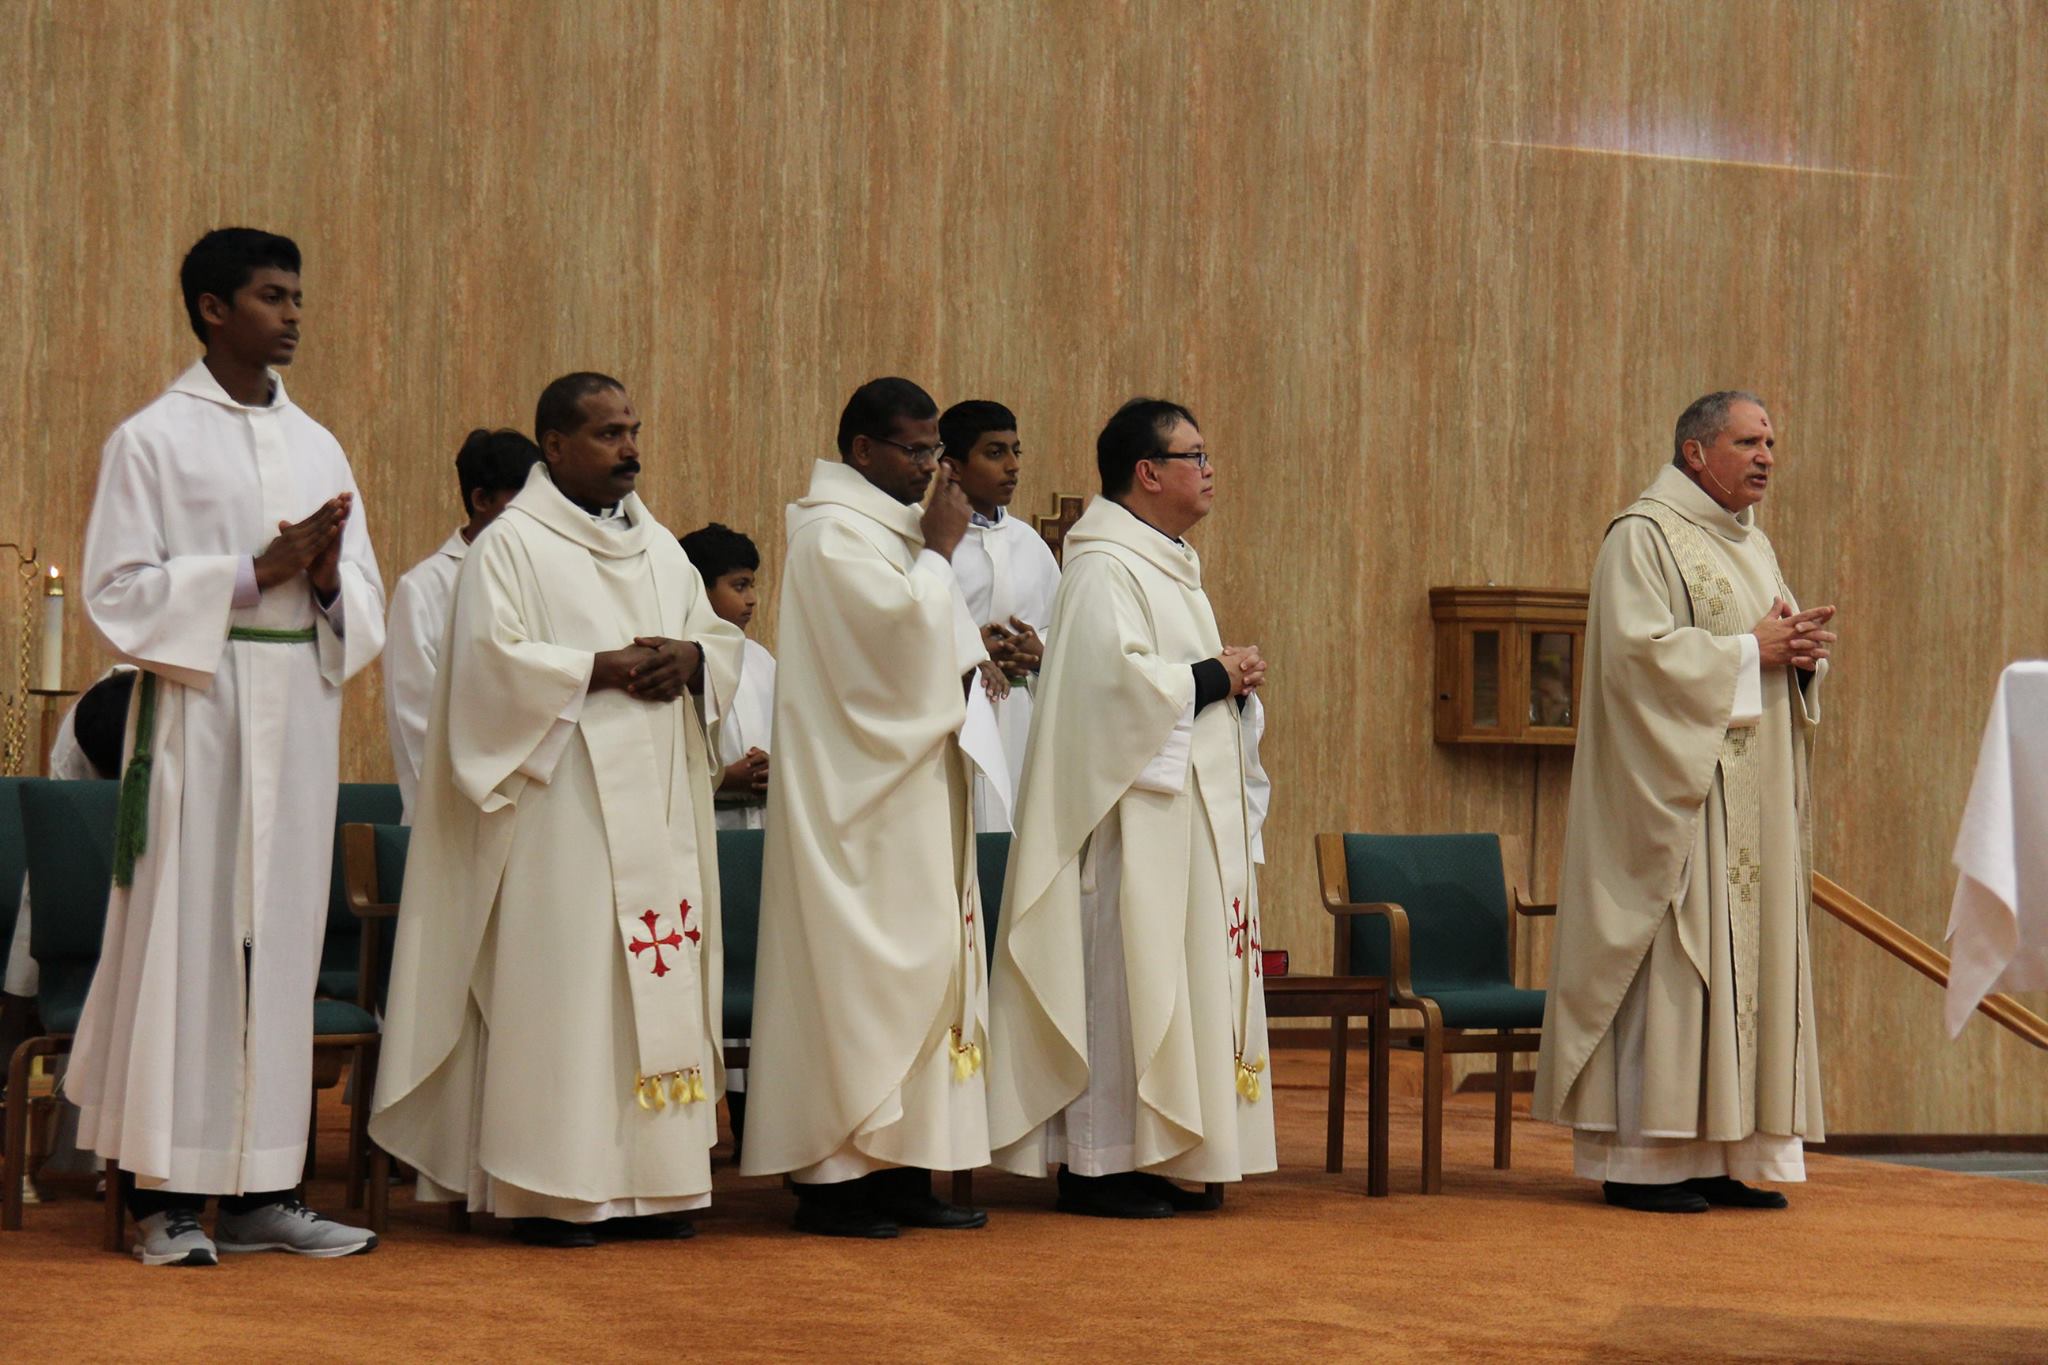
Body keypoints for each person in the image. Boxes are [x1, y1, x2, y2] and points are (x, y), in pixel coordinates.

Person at [70, 227, 385, 1266]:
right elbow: (115, 594)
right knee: (191, 940)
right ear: (213, 309)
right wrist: (251, 572)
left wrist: (328, 577)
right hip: (202, 711)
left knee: (282, 946)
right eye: (271, 296)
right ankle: (166, 1198)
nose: (293, 314)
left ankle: (264, 1193)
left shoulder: (319, 443)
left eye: (297, 296)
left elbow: (366, 601)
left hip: (297, 701)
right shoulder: (151, 439)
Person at [371, 373, 743, 1247]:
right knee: (568, 990)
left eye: (634, 429)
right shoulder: (510, 548)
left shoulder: (660, 550)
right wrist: (595, 669)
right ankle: (552, 1189)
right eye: (610, 433)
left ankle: (657, 1186)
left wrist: (692, 656)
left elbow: (720, 642)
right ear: (554, 446)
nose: (631, 449)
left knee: (650, 976)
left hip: (656, 806)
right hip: (557, 813)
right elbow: (485, 670)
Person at [1533, 391, 1837, 1214]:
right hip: (1674, 804)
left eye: (1772, 439)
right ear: (1697, 453)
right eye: (1749, 440)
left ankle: (1716, 1152)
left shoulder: (1754, 543)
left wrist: (1799, 656)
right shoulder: (1642, 536)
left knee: (1738, 972)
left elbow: (1765, 650)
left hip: (1747, 802)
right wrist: (1752, 650)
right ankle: (1643, 1161)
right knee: (1676, 962)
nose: (1767, 454)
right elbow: (1635, 663)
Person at [987, 398, 1275, 1218]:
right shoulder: (1103, 568)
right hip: (1125, 828)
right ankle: (1101, 1162)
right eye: (1196, 454)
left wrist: (1234, 686)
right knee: (1125, 979)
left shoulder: (1167, 561)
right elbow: (1108, 694)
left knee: (1171, 981)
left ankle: (1158, 1152)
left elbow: (1172, 682)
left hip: (1180, 823)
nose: (1210, 468)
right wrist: (1215, 675)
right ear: (1148, 473)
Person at [740, 377, 1005, 1238]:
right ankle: (832, 1177)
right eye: (917, 450)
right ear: (861, 450)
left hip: (913, 793)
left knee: (926, 976)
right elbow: (887, 656)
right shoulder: (829, 537)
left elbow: (927, 648)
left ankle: (903, 1171)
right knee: (856, 986)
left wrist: (975, 648)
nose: (933, 466)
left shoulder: (893, 530)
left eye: (935, 450)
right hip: (853, 810)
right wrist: (937, 553)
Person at [383, 428, 541, 823]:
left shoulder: (553, 577)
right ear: (482, 500)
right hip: (461, 813)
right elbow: (417, 723)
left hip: (544, 810)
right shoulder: (424, 588)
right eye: (526, 505)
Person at [937, 400, 1061, 831]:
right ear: (952, 465)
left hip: (1021, 717)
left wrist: (1038, 650)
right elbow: (910, 630)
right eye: (994, 453)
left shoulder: (1029, 543)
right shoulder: (930, 541)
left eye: (1015, 451)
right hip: (952, 721)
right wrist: (971, 650)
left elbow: (1061, 629)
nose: (1012, 466)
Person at [679, 523, 775, 832]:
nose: (752, 599)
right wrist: (721, 779)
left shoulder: (760, 658)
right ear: (699, 590)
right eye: (739, 586)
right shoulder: (677, 660)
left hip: (764, 822)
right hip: (705, 824)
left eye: (752, 585)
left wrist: (774, 768)